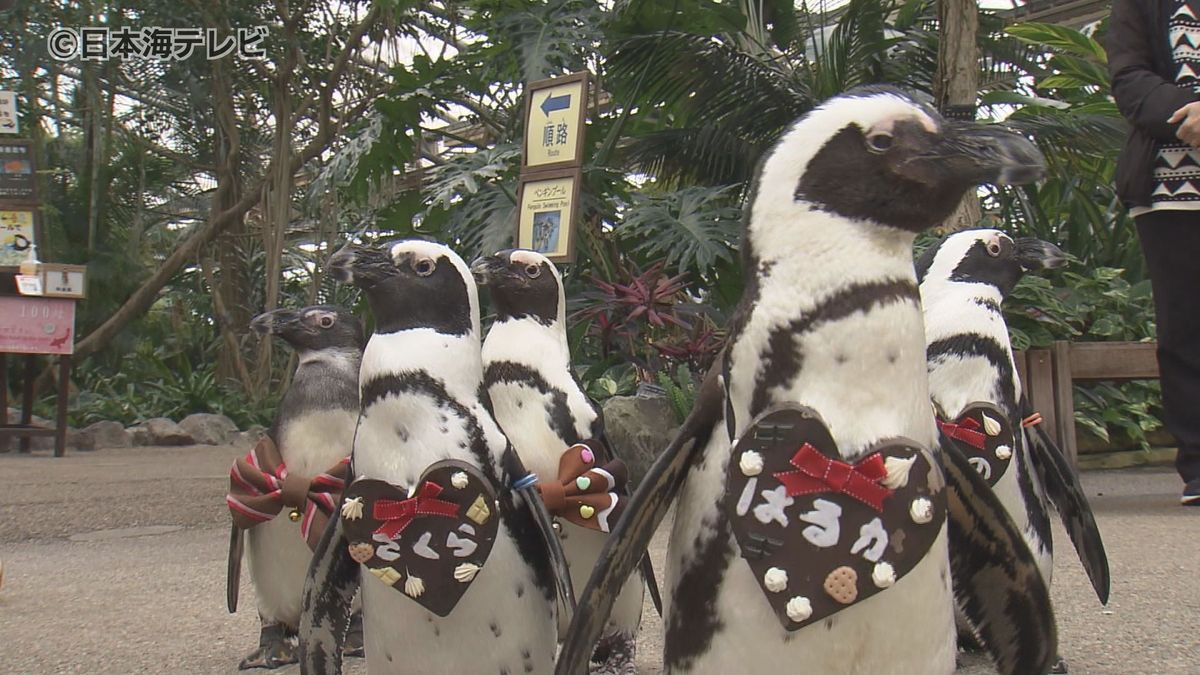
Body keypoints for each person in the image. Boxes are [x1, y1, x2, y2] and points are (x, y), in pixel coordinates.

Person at [1108, 0, 1200, 505]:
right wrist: (1188, 113)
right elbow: (1129, 76)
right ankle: (1199, 466)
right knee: (1186, 330)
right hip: (1172, 195)